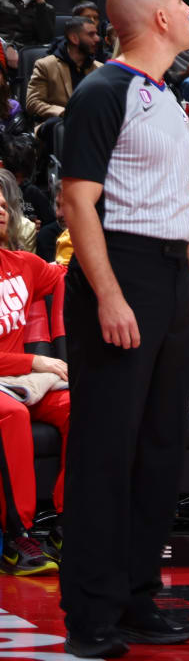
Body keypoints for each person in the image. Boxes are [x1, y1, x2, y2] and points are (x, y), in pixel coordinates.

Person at [56, 0, 189, 657]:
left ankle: (137, 596)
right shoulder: (103, 91)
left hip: (167, 272)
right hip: (120, 269)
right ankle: (91, 616)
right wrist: (107, 293)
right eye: (184, 4)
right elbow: (77, 201)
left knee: (159, 448)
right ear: (160, 19)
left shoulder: (169, 98)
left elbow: (174, 208)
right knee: (106, 451)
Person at [0, 197, 69, 574]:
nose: (1, 211)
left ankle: (68, 524)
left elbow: (69, 276)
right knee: (8, 414)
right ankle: (15, 535)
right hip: (14, 380)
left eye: (4, 206)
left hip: (16, 380)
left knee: (83, 406)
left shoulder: (23, 264)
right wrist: (34, 360)